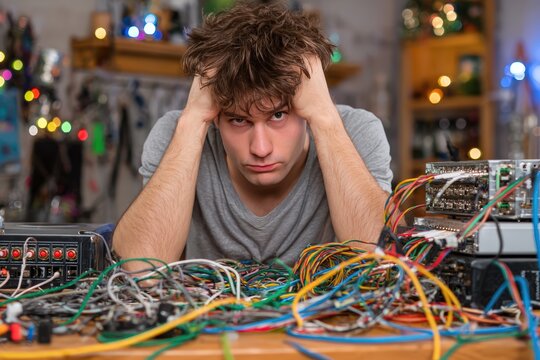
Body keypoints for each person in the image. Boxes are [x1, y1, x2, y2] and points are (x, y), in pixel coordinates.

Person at [112, 1, 393, 271]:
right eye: (238, 119)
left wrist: (325, 118)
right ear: (216, 115)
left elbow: (378, 261)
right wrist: (193, 119)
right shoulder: (178, 133)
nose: (260, 148)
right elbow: (138, 269)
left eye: (278, 116)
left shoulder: (356, 132)